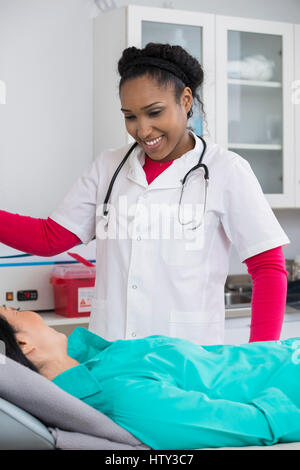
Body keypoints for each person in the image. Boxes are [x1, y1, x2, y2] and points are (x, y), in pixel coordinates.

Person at [0, 43, 290, 345]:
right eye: (130, 116)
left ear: (186, 100)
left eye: (154, 112)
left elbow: (268, 267)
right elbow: (50, 238)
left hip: (186, 361)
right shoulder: (109, 166)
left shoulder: (226, 169)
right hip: (111, 353)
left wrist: (260, 357)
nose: (143, 130)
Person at [0, 305, 299, 450]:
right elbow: (256, 424)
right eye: (15, 309)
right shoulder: (123, 398)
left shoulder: (96, 360)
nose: (29, 311)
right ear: (25, 345)